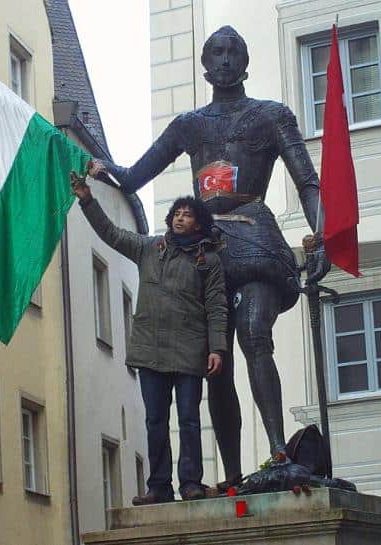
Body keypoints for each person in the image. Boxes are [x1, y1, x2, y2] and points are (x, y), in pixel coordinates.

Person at [87, 26, 330, 490]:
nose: (224, 60)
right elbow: (135, 175)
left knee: (254, 334)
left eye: (232, 52)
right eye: (216, 52)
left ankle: (279, 450)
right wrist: (98, 170)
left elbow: (308, 181)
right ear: (205, 65)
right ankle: (234, 474)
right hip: (207, 250)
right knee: (215, 362)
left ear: (245, 63)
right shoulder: (189, 124)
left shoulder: (272, 115)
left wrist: (322, 236)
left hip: (255, 237)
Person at [72, 175, 228, 504]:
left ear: (198, 223)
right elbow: (112, 234)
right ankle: (158, 486)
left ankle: (190, 483)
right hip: (150, 350)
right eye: (177, 213)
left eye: (188, 214)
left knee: (188, 420)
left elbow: (217, 306)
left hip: (189, 351)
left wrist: (217, 348)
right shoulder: (150, 248)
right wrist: (87, 199)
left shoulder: (208, 261)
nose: (180, 217)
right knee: (155, 420)